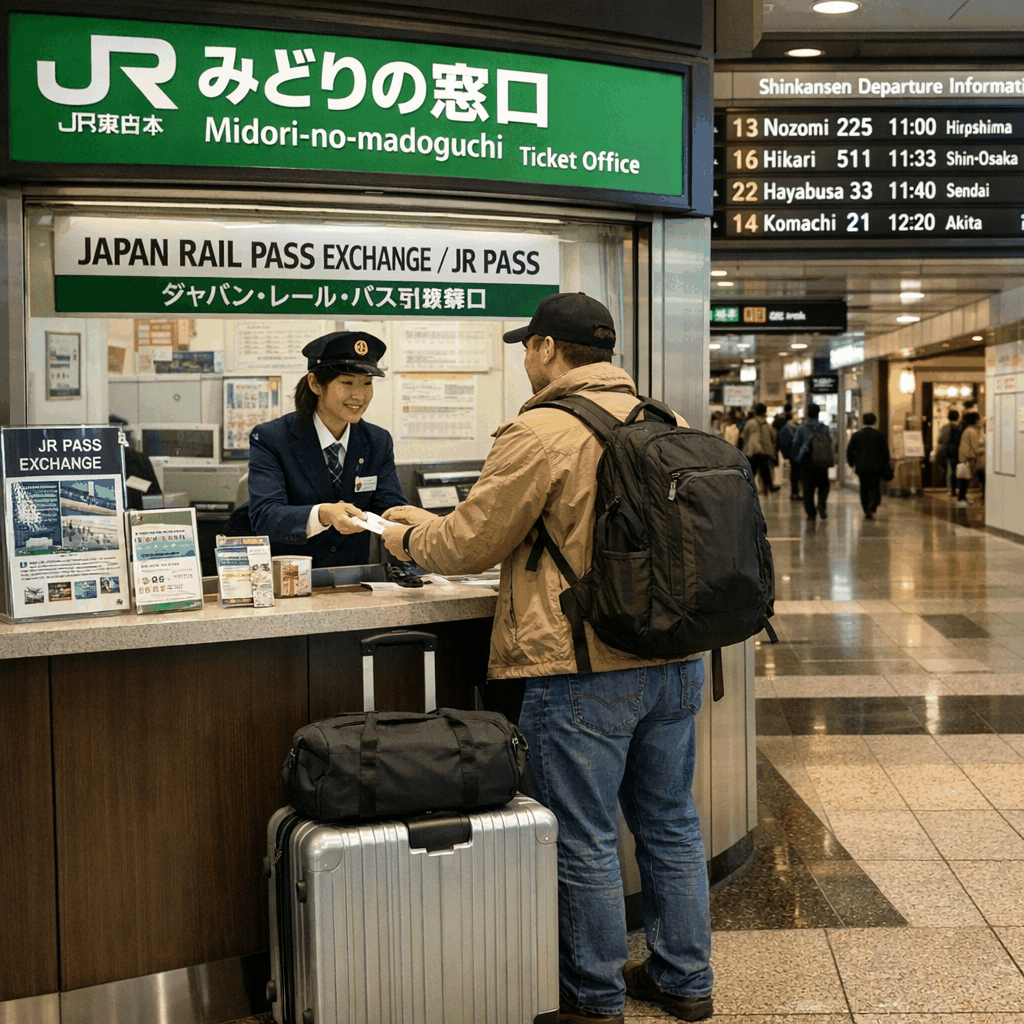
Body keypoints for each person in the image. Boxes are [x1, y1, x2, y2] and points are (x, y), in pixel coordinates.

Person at [380, 293, 714, 1024]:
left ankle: (595, 999)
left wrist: (404, 533)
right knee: (670, 821)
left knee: (585, 833)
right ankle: (686, 980)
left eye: (526, 347)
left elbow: (466, 544)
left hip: (582, 665)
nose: (524, 360)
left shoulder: (540, 430)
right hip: (676, 658)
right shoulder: (667, 420)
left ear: (546, 350)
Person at [246, 330, 406, 567]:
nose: (359, 395)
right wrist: (323, 514)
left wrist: (419, 526)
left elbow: (389, 508)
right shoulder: (272, 438)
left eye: (367, 383)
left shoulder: (377, 441)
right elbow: (265, 516)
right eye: (347, 383)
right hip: (291, 580)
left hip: (354, 580)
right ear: (315, 383)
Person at [845, 412, 891, 519]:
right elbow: (885, 451)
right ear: (875, 421)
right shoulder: (880, 435)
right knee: (875, 487)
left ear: (863, 421)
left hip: (862, 467)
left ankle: (866, 509)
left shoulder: (857, 435)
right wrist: (885, 462)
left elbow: (850, 451)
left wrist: (852, 463)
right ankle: (873, 504)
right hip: (876, 466)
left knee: (864, 488)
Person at [792, 403, 832, 521]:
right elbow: (829, 442)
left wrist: (796, 458)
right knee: (824, 485)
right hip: (821, 461)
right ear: (818, 413)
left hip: (806, 461)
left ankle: (811, 513)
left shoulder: (801, 428)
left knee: (808, 488)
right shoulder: (824, 428)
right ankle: (821, 503)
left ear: (807, 414)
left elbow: (795, 444)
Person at [740, 402, 779, 496]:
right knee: (764, 470)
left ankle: (749, 489)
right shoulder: (765, 423)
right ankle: (768, 487)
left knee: (752, 471)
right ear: (764, 412)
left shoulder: (751, 422)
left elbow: (744, 435)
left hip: (752, 451)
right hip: (763, 452)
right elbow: (772, 436)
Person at [956, 410, 985, 506]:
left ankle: (963, 498)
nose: (980, 421)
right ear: (975, 420)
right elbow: (975, 448)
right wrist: (985, 451)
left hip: (964, 457)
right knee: (965, 479)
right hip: (968, 458)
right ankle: (961, 499)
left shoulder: (967, 429)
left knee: (965, 478)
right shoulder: (972, 431)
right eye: (979, 419)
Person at [776, 413, 801, 501]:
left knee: (795, 473)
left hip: (793, 454)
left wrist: (786, 455)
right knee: (797, 474)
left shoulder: (786, 428)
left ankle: (795, 492)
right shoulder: (798, 427)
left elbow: (783, 442)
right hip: (799, 454)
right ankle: (796, 492)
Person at [936, 409, 961, 498]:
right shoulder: (961, 427)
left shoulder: (946, 427)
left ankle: (951, 489)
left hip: (949, 451)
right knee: (959, 469)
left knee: (950, 470)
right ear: (958, 417)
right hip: (959, 451)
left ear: (948, 417)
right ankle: (958, 488)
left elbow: (940, 439)